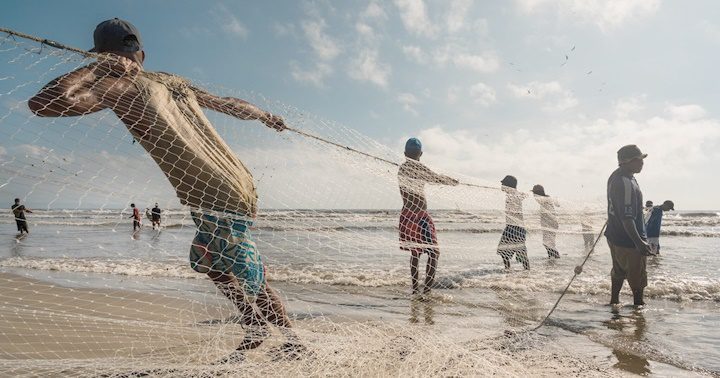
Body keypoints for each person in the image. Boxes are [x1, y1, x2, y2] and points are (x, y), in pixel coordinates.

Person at [28, 18, 301, 359]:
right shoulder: (172, 82)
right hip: (238, 183)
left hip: (213, 194)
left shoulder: (118, 87)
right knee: (207, 260)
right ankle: (254, 324)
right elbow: (229, 103)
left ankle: (293, 342)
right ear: (142, 53)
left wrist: (97, 70)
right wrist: (264, 115)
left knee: (247, 272)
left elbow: (43, 103)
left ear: (102, 55)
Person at [398, 138, 459, 297]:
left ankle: (417, 289)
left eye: (413, 154)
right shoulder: (410, 169)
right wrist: (450, 181)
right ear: (421, 153)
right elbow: (435, 178)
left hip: (412, 216)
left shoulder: (403, 168)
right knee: (433, 252)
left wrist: (447, 180)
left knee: (416, 253)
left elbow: (432, 177)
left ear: (406, 153)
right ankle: (424, 290)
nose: (413, 156)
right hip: (416, 216)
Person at [605, 145, 652, 306]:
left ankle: (614, 302)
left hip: (614, 234)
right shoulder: (624, 182)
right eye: (637, 160)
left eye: (642, 159)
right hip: (629, 239)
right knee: (637, 277)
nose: (641, 163)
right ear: (625, 162)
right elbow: (627, 217)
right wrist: (639, 242)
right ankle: (638, 308)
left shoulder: (618, 176)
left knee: (618, 271)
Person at [497, 175, 529, 269]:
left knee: (518, 252)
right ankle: (512, 270)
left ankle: (523, 271)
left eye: (503, 183)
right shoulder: (514, 194)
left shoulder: (513, 195)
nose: (502, 185)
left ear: (508, 185)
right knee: (506, 251)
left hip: (515, 227)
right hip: (514, 227)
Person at [532, 184, 560, 258]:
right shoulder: (547, 198)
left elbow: (537, 199)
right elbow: (557, 204)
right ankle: (551, 257)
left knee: (548, 243)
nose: (533, 195)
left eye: (534, 193)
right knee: (549, 243)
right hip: (549, 223)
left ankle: (555, 257)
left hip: (550, 223)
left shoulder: (543, 199)